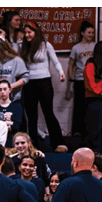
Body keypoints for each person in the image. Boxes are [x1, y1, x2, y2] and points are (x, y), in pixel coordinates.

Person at [19, 22, 66, 152]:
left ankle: (59, 143)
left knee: (48, 112)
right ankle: (32, 145)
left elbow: (55, 61)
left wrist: (61, 72)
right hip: (29, 83)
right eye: (26, 33)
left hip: (44, 81)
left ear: (36, 32)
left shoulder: (45, 45)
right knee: (31, 115)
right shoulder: (24, 46)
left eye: (30, 32)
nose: (27, 35)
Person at [67, 21, 96, 140]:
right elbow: (71, 64)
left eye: (93, 33)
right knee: (79, 106)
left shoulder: (95, 46)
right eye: (89, 32)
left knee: (90, 106)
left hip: (92, 80)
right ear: (82, 33)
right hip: (79, 79)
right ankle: (77, 131)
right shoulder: (76, 48)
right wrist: (70, 79)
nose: (91, 35)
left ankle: (89, 130)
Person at [0, 80, 24, 147]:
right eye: (0, 89)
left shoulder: (17, 107)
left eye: (5, 89)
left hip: (11, 141)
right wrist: (9, 123)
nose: (2, 92)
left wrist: (0, 125)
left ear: (10, 90)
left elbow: (16, 126)